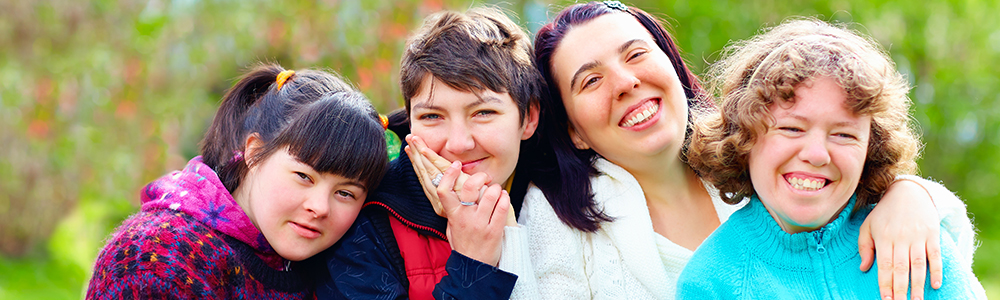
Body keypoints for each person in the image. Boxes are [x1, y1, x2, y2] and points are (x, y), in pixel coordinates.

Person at [510, 1, 976, 299]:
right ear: (574, 130)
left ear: (672, 66)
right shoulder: (556, 216)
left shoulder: (762, 152)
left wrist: (910, 194)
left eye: (635, 55)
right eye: (590, 80)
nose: (626, 81)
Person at [677, 18, 985, 299]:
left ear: (871, 150)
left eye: (844, 135)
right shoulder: (711, 281)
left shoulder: (913, 245)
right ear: (744, 137)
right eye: (791, 128)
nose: (816, 154)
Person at [86, 64, 389, 299]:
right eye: (303, 177)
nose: (320, 207)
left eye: (345, 193)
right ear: (254, 153)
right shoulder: (159, 257)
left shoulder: (340, 263)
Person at [317, 6, 543, 299]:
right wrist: (472, 265)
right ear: (410, 122)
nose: (459, 144)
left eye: (484, 112)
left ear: (529, 118)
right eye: (433, 116)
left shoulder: (567, 193)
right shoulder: (365, 223)